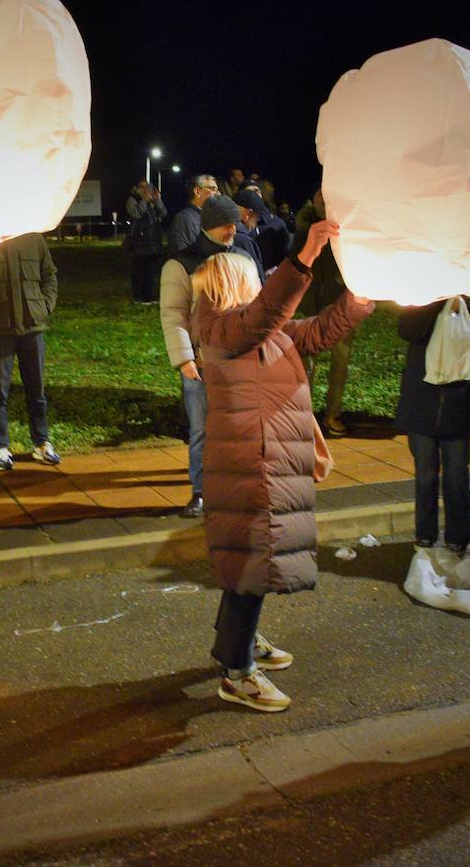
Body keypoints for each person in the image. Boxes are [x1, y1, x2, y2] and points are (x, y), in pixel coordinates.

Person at [194, 221, 374, 712]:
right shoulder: (221, 328)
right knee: (255, 564)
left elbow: (315, 332)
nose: (259, 282)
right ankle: (236, 672)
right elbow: (266, 313)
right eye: (252, 277)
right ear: (233, 284)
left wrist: (358, 300)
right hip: (253, 465)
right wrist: (306, 256)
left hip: (269, 463)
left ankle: (241, 643)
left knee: (252, 562)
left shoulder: (260, 333)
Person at [159, 195, 258, 517]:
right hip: (201, 362)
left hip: (241, 359)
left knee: (241, 427)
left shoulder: (244, 256)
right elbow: (173, 314)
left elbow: (258, 306)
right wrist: (184, 358)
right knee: (202, 428)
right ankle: (201, 491)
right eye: (226, 223)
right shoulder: (181, 263)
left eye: (235, 222)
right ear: (208, 225)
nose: (233, 228)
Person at [394, 295, 470, 553]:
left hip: (457, 408)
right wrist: (435, 301)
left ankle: (457, 538)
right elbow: (408, 330)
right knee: (426, 476)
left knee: (456, 477)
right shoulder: (422, 301)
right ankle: (425, 535)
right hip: (422, 406)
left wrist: (467, 306)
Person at [0, 232, 60, 470]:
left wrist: (44, 307)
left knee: (37, 389)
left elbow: (49, 274)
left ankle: (41, 443)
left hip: (33, 326)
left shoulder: (34, 238)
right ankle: (0, 447)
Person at [294, 189, 361, 435]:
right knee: (305, 366)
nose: (322, 199)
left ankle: (333, 414)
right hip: (308, 307)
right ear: (313, 200)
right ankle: (305, 417)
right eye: (318, 195)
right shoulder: (303, 228)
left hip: (339, 304)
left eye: (326, 194)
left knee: (340, 361)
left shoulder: (345, 227)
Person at [123, 180, 167, 302]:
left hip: (153, 241)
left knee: (150, 271)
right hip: (138, 243)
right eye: (141, 187)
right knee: (138, 271)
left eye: (146, 186)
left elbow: (163, 213)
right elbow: (136, 214)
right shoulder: (132, 200)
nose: (145, 189)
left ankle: (148, 295)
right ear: (135, 188)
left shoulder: (152, 201)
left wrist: (157, 200)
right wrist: (144, 200)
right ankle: (138, 296)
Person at [166, 174, 220, 256]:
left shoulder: (210, 216)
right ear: (197, 191)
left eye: (217, 190)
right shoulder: (183, 219)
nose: (218, 194)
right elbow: (179, 255)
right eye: (213, 189)